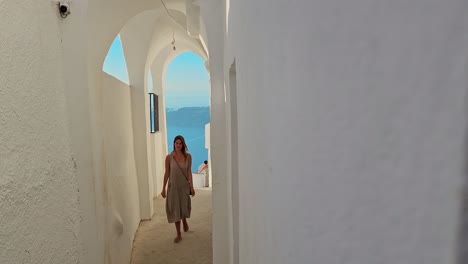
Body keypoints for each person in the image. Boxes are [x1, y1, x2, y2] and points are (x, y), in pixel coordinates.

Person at [161, 135, 196, 243]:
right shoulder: (169, 157)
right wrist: (163, 188)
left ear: (183, 144)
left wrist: (192, 186)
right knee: (176, 209)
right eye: (177, 143)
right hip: (173, 187)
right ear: (174, 144)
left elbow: (189, 171)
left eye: (180, 143)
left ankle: (184, 220)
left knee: (183, 206)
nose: (178, 145)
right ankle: (178, 234)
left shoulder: (188, 157)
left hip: (184, 187)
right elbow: (167, 173)